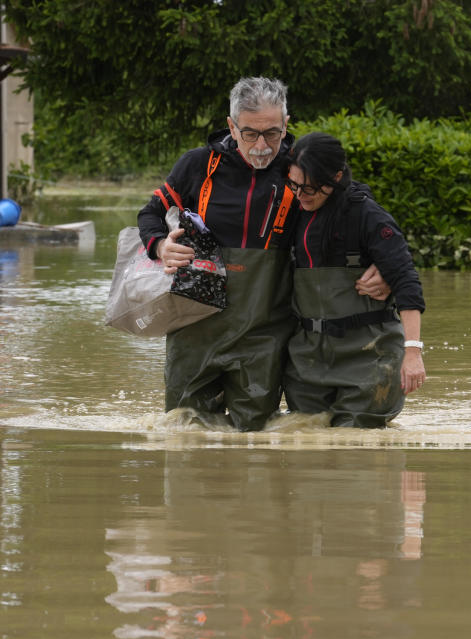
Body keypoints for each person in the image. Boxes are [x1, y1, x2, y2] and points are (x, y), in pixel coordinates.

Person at [137, 77, 388, 431]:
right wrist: (161, 245)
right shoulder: (197, 166)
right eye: (249, 134)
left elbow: (360, 209)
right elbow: (149, 214)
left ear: (287, 125)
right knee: (183, 432)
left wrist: (383, 264)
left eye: (272, 133)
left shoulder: (302, 168)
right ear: (231, 126)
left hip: (266, 334)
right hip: (193, 330)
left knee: (252, 439)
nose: (261, 146)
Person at [283, 132, 426, 427]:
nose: (300, 195)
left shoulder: (367, 216)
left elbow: (407, 281)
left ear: (336, 177)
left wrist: (413, 353)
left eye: (310, 188)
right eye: (294, 185)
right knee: (306, 440)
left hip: (369, 358)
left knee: (357, 447)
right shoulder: (292, 213)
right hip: (307, 360)